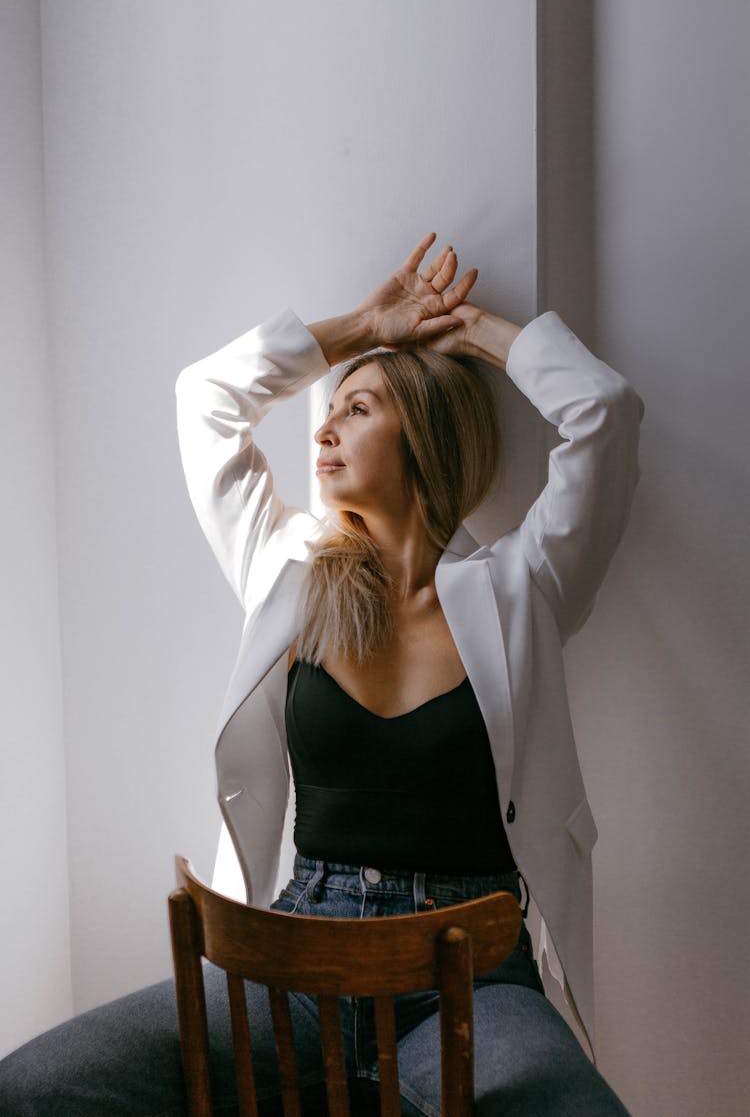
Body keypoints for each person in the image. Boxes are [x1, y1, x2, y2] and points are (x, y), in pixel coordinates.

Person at [0, 234, 641, 1114]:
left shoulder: (518, 587)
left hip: (475, 977)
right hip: (297, 957)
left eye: (361, 408)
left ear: (423, 432)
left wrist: (472, 330)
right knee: (35, 1088)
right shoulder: (289, 573)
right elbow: (207, 397)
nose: (326, 425)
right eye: (329, 408)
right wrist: (361, 329)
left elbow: (603, 409)